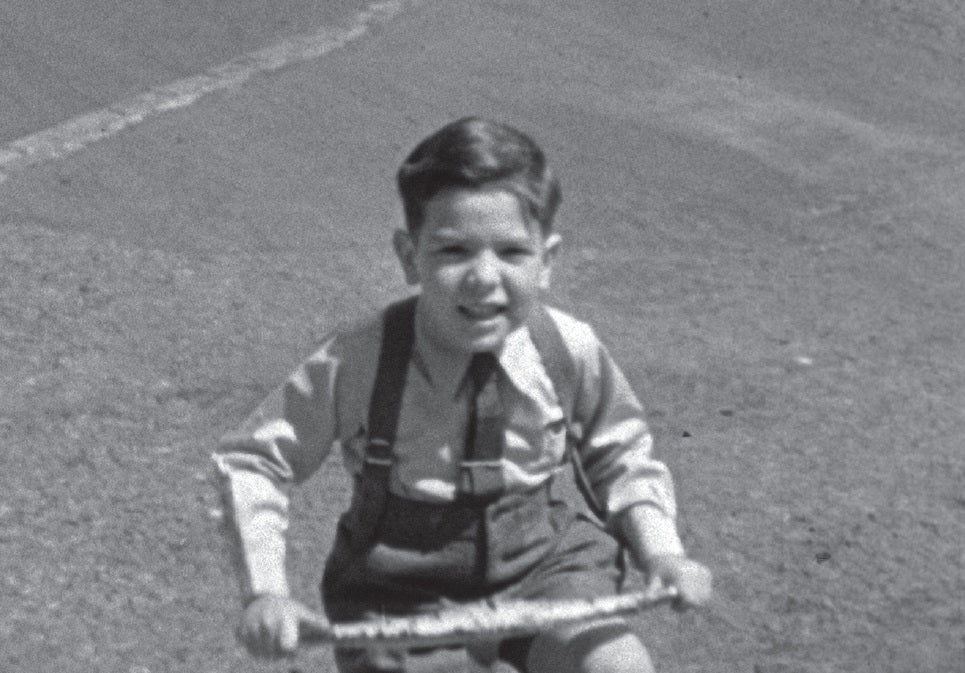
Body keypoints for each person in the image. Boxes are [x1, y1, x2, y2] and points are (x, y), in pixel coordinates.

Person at [212, 116, 712, 673]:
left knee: (619, 667)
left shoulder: (566, 348)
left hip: (541, 567)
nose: (483, 277)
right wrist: (265, 590)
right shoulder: (358, 358)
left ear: (547, 261)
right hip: (398, 585)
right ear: (409, 256)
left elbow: (620, 454)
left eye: (512, 253)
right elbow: (255, 459)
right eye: (453, 252)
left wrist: (662, 552)